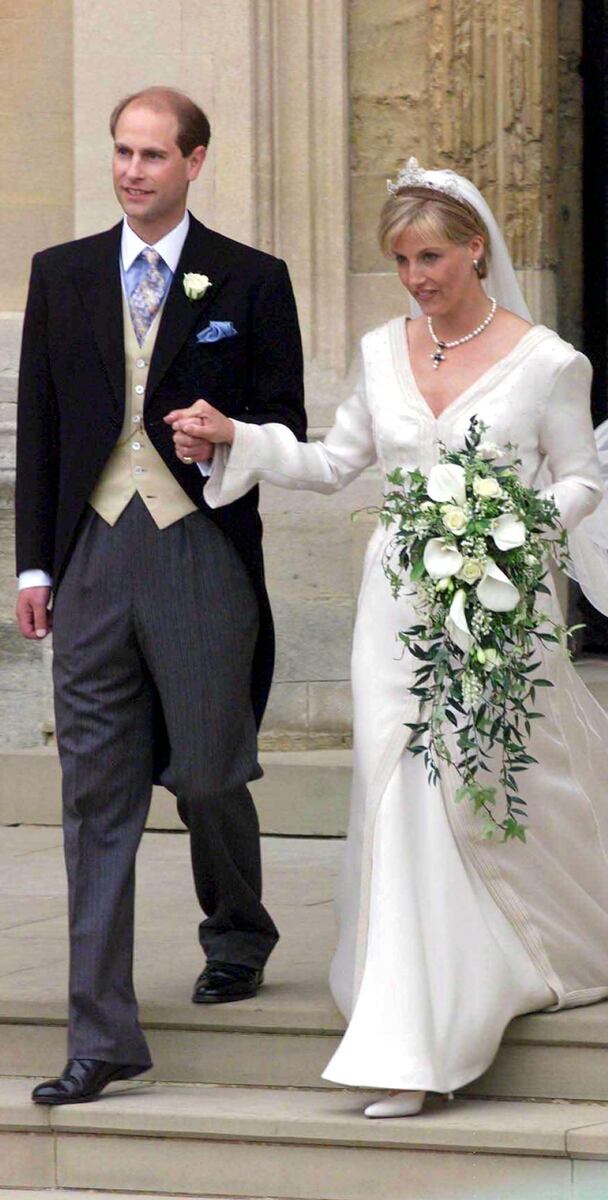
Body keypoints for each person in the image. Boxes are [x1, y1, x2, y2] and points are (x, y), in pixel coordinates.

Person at [167, 160, 608, 1120]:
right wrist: (236, 439)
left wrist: (510, 524)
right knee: (401, 790)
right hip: (397, 609)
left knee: (467, 790)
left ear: (474, 248)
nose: (418, 277)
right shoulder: (383, 351)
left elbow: (583, 479)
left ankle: (435, 1032)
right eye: (401, 261)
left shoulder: (547, 362)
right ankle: (413, 1017)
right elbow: (337, 462)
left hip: (501, 604)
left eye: (432, 256)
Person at [15, 86, 306, 1106]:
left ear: (194, 162)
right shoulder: (59, 275)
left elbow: (284, 420)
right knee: (95, 798)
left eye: (152, 155)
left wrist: (222, 440)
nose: (133, 171)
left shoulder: (252, 280)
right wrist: (34, 566)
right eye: (121, 153)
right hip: (91, 553)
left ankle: (238, 926)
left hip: (199, 550)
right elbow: (43, 425)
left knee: (209, 765)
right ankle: (102, 1036)